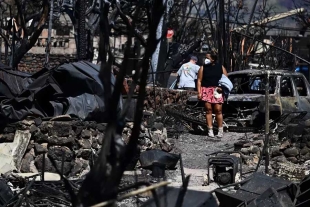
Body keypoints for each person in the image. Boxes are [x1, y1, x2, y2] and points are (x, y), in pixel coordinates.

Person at [197, 52, 228, 138]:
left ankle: (220, 130)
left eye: (207, 58)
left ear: (213, 59)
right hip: (206, 90)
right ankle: (210, 130)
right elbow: (199, 80)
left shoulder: (220, 67)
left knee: (218, 110)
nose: (205, 59)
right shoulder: (203, 68)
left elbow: (226, 79)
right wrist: (199, 92)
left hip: (217, 90)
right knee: (208, 109)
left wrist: (223, 88)